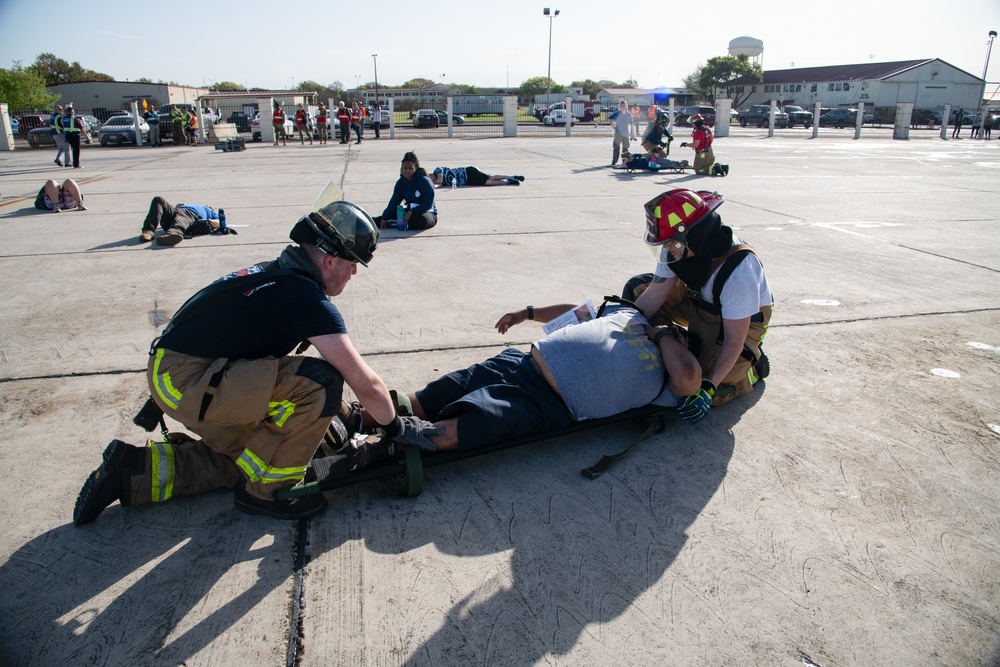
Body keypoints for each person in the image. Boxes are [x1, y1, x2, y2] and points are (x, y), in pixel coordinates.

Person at [73, 189, 442, 524]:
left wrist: (354, 418)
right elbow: (361, 379)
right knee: (319, 383)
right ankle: (265, 495)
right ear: (329, 260)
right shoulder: (304, 298)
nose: (354, 273)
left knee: (257, 456)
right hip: (186, 379)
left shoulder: (281, 274)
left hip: (178, 376)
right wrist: (395, 429)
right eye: (353, 263)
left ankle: (132, 472)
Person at [346, 298, 701, 465]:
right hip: (521, 361)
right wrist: (526, 314)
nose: (676, 335)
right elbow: (575, 312)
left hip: (550, 404)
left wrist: (662, 336)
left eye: (681, 337)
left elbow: (688, 376)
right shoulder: (629, 313)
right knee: (440, 391)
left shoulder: (670, 381)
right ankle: (359, 418)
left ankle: (387, 448)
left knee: (474, 422)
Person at [625, 188, 773, 426]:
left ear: (695, 236)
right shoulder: (678, 245)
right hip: (699, 302)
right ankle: (680, 341)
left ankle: (751, 369)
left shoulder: (739, 270)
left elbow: (734, 340)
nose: (666, 249)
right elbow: (654, 295)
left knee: (693, 385)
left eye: (670, 243)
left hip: (733, 324)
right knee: (636, 291)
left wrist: (710, 385)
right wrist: (621, 325)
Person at [372, 151, 438, 230]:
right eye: (405, 168)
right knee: (378, 220)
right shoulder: (401, 183)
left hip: (427, 213)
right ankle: (395, 222)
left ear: (416, 168)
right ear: (402, 168)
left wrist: (412, 212)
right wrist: (384, 217)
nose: (407, 171)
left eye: (410, 168)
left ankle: (398, 223)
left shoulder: (424, 181)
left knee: (420, 220)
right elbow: (394, 203)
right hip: (409, 212)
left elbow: (428, 204)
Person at [138, 197, 229, 246]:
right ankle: (148, 231)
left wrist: (208, 220)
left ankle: (171, 234)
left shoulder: (209, 211)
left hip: (190, 215)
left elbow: (220, 222)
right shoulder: (191, 205)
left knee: (183, 216)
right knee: (158, 200)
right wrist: (179, 206)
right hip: (175, 212)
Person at [430, 166, 525, 187]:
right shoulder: (437, 181)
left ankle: (512, 177)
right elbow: (436, 185)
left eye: (430, 178)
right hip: (467, 181)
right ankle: (508, 182)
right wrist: (432, 185)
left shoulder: (438, 170)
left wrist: (436, 183)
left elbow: (440, 179)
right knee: (487, 183)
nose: (431, 180)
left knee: (490, 177)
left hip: (467, 172)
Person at [609, 100, 632, 167]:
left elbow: (632, 123)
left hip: (625, 133)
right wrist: (613, 126)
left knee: (625, 148)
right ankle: (614, 161)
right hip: (618, 133)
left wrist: (632, 132)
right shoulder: (617, 113)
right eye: (621, 106)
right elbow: (610, 119)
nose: (623, 107)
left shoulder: (628, 114)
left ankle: (624, 161)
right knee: (616, 147)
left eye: (624, 105)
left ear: (626, 106)